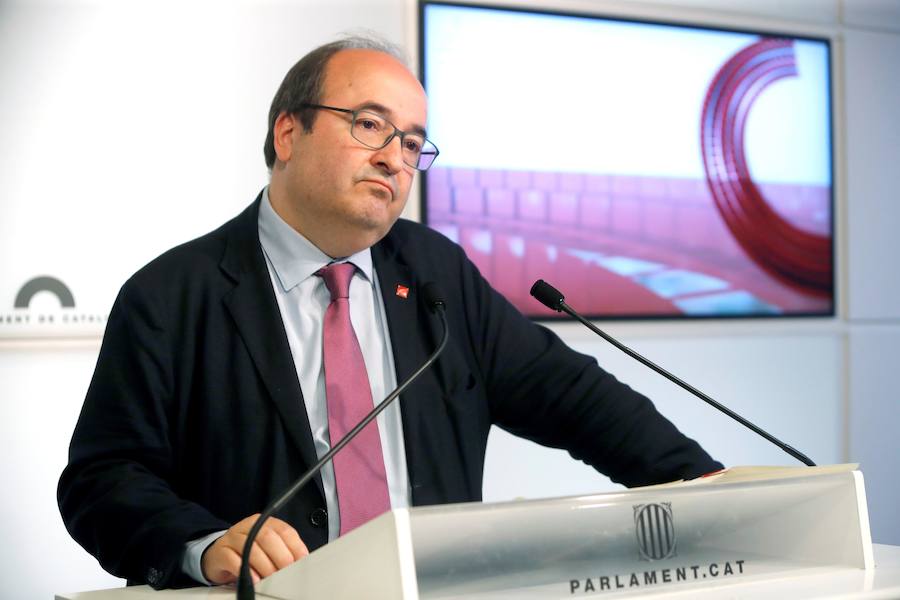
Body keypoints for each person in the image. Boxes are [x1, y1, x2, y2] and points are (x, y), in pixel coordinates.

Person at [58, 36, 722, 590]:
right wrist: (201, 546)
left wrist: (705, 490)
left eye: (411, 143)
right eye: (370, 124)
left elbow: (572, 396)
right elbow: (103, 480)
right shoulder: (174, 294)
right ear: (289, 131)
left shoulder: (435, 273)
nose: (393, 158)